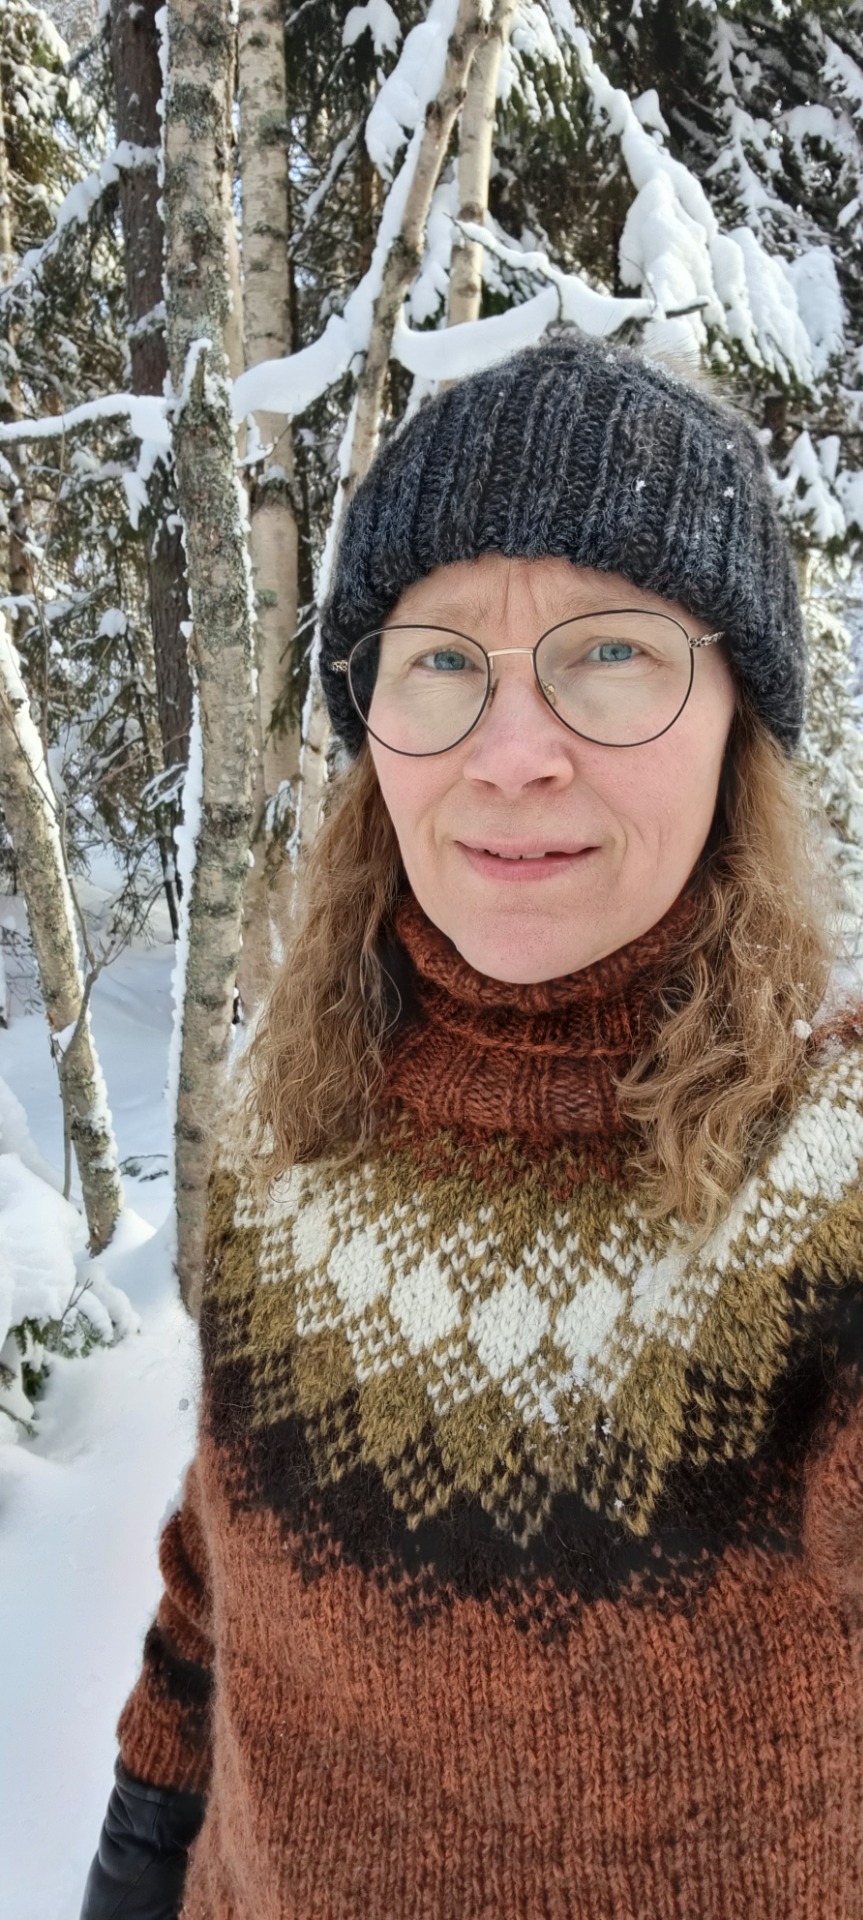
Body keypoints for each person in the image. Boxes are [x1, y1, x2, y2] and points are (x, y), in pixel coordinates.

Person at [80, 331, 863, 1920]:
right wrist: (138, 1858)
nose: (513, 756)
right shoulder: (297, 1126)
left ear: (740, 720)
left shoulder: (824, 1187)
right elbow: (219, 1575)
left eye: (612, 649)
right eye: (441, 659)